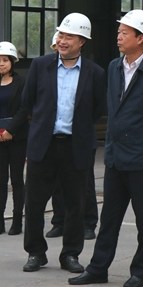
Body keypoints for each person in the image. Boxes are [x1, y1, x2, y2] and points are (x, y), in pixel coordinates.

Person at [69, 9, 143, 287]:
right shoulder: (115, 67)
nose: (118, 36)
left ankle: (141, 272)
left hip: (142, 160)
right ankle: (98, 268)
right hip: (115, 157)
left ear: (141, 38)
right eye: (119, 32)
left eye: (124, 33)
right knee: (109, 218)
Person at [21, 12, 106, 274]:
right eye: (61, 35)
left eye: (69, 36)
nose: (62, 40)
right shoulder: (40, 65)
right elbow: (28, 102)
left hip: (75, 146)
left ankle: (70, 254)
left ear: (82, 42)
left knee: (75, 204)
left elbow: (97, 109)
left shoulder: (95, 73)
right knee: (34, 203)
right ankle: (36, 252)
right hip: (43, 145)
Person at [46, 30, 99, 241]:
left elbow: (97, 107)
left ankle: (88, 223)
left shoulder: (92, 72)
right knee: (57, 184)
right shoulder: (47, 69)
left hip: (79, 138)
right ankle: (59, 221)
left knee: (84, 185)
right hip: (54, 138)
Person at [0, 42, 29, 235]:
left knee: (17, 179)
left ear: (12, 61)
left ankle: (17, 220)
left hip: (17, 137)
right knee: (0, 180)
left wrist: (11, 130)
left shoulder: (22, 83)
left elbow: (24, 109)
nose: (1, 64)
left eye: (5, 60)